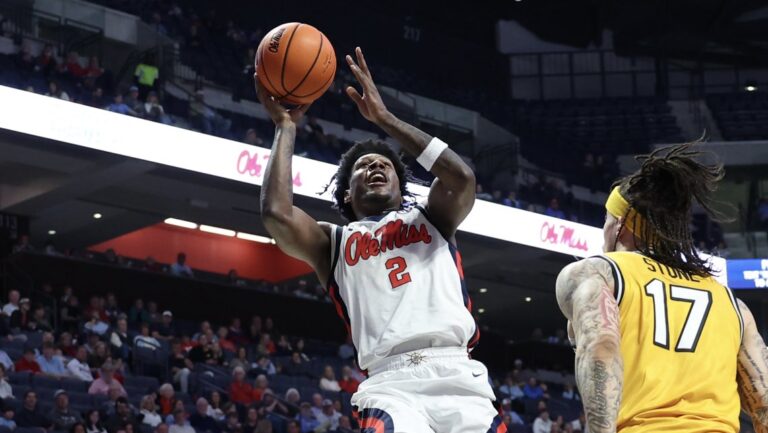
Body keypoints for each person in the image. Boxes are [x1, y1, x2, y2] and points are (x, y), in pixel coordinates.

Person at [258, 47, 498, 432]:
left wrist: (386, 119)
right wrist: (285, 129)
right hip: (391, 385)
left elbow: (462, 178)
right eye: (364, 166)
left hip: (458, 376)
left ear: (402, 190)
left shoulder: (432, 216)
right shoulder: (332, 242)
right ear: (346, 195)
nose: (375, 165)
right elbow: (277, 214)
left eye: (385, 164)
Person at [555, 142, 767, 433]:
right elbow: (763, 402)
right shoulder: (732, 305)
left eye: (606, 218)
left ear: (620, 225)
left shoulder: (600, 273)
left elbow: (602, 348)